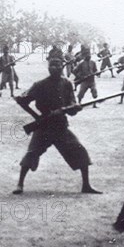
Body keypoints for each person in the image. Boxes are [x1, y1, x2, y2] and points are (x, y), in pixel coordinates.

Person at [13, 55, 101, 195]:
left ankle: (86, 185)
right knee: (31, 154)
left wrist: (74, 108)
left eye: (58, 65)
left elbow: (71, 103)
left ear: (62, 67)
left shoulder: (67, 83)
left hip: (61, 125)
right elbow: (22, 100)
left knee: (80, 151)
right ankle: (20, 184)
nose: (55, 68)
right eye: (52, 65)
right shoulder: (39, 84)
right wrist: (38, 117)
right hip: (44, 126)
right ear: (48, 68)